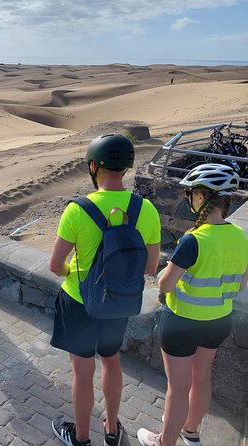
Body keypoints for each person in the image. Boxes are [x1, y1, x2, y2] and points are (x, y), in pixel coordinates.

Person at [48, 134, 161, 446]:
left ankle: (81, 438)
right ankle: (112, 431)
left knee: (81, 372)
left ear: (93, 165)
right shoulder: (146, 209)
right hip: (119, 303)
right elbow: (150, 268)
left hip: (79, 301)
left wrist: (72, 271)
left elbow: (55, 265)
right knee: (111, 361)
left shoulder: (77, 210)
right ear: (125, 167)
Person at [137, 163, 248, 446]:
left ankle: (165, 442)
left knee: (178, 388)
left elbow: (165, 284)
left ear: (201, 197)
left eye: (191, 194)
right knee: (202, 380)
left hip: (183, 322)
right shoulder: (240, 236)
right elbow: (240, 284)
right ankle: (191, 433)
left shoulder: (193, 240)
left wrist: (164, 271)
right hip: (219, 321)